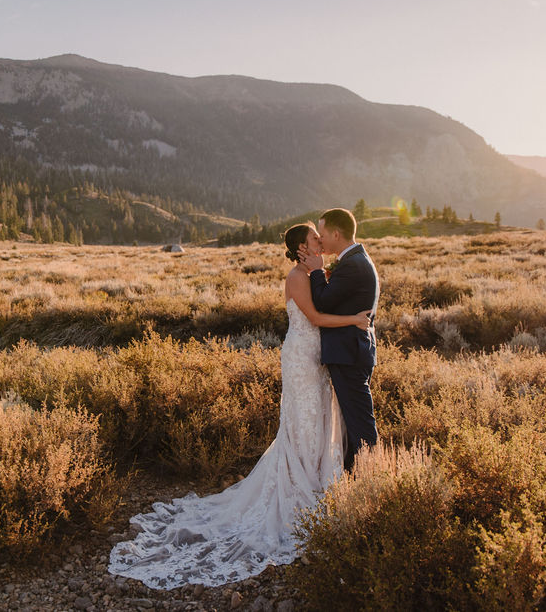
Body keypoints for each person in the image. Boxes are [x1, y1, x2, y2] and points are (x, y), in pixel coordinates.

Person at [108, 222, 371, 589]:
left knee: (319, 418)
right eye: (314, 238)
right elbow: (315, 318)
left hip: (319, 359)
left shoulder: (317, 273)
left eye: (320, 237)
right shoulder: (298, 277)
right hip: (301, 358)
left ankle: (318, 479)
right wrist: (355, 321)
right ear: (300, 247)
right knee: (302, 421)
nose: (320, 241)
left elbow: (329, 300)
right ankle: (300, 489)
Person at [297, 207, 380, 471]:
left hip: (349, 354)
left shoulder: (353, 265)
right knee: (351, 422)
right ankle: (352, 475)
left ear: (335, 233)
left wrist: (318, 271)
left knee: (359, 424)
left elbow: (322, 303)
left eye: (321, 234)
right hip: (352, 351)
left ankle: (369, 480)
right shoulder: (354, 260)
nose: (320, 240)